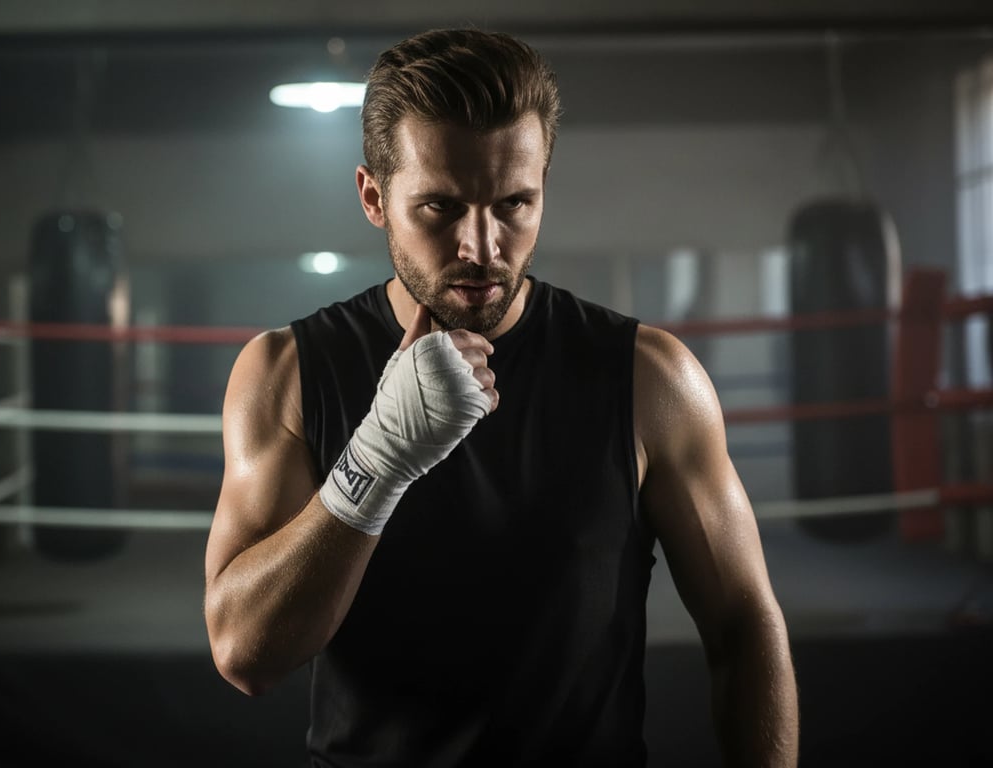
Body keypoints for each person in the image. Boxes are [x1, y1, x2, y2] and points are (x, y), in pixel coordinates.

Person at [204, 28, 799, 767]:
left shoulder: (647, 378)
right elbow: (244, 654)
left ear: (544, 183)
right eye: (441, 208)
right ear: (373, 197)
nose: (481, 246)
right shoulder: (287, 374)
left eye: (514, 203)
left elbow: (744, 625)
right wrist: (375, 462)